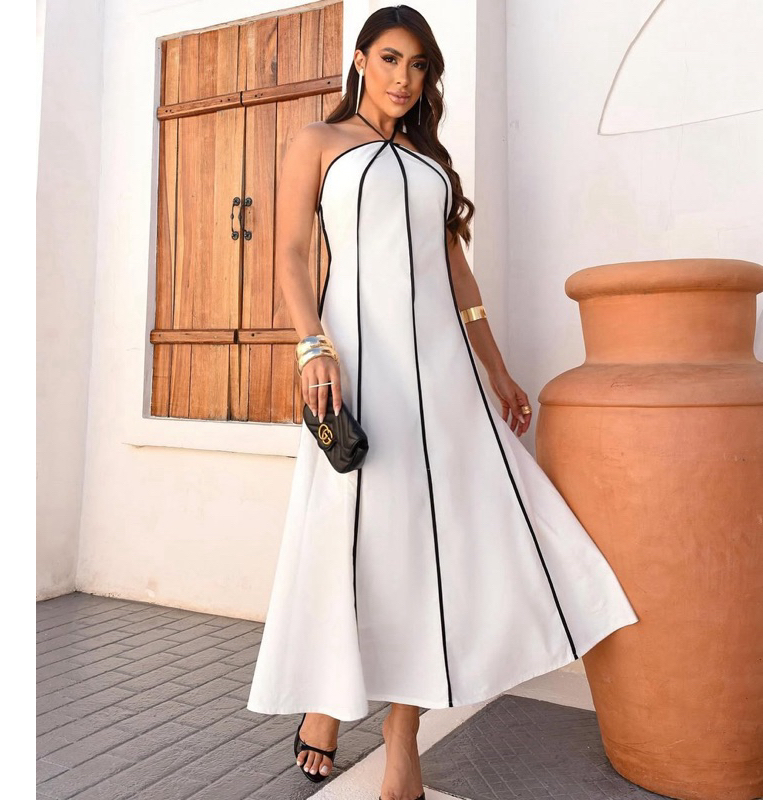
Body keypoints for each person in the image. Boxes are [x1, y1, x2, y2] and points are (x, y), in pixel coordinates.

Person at [246, 6, 639, 800]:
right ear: (361, 59)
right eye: (391, 59)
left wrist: (497, 368)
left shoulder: (429, 161)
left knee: (440, 544)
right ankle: (327, 698)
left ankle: (403, 733)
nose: (405, 78)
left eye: (419, 65)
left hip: (444, 377)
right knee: (357, 534)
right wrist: (312, 345)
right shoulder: (318, 142)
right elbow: (289, 252)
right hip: (363, 365)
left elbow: (458, 276)